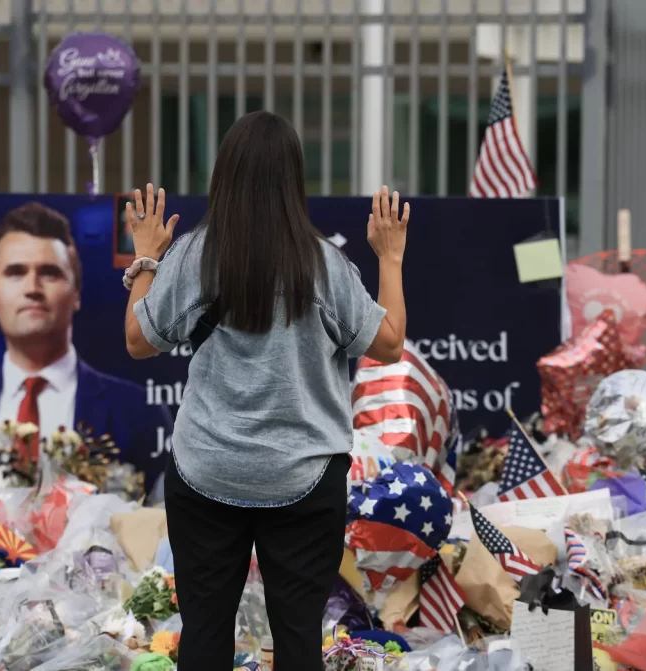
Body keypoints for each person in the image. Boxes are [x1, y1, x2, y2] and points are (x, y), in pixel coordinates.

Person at [123, 110, 409, 671]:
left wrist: (147, 259)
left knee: (204, 636)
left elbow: (137, 340)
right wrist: (390, 258)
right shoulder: (325, 264)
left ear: (223, 176)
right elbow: (391, 345)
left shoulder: (194, 255)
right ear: (294, 180)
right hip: (304, 479)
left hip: (205, 472)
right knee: (298, 639)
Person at [0, 202, 173, 494]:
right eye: (15, 272)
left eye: (49, 272)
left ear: (76, 293)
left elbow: (161, 524)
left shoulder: (138, 412)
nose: (32, 288)